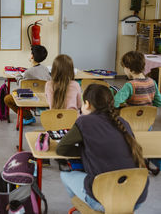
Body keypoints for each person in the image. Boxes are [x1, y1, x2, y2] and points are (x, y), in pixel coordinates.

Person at [57, 84, 148, 212]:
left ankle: (89, 209)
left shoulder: (83, 122)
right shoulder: (123, 122)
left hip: (103, 199)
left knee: (65, 175)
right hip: (136, 198)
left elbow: (61, 149)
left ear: (87, 104)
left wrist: (84, 151)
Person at [4, 45, 51, 124]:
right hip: (45, 96)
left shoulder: (28, 72)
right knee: (15, 91)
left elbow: (21, 87)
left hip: (33, 97)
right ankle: (28, 114)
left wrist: (18, 76)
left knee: (7, 98)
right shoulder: (45, 69)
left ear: (32, 56)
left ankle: (28, 117)